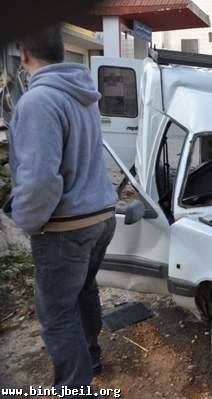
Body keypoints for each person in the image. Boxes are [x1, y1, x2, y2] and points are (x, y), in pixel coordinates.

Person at [6, 26, 117, 390]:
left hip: (65, 226)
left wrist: (26, 221)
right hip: (99, 217)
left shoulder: (38, 102)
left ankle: (77, 389)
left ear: (23, 55)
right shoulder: (82, 95)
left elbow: (40, 181)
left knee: (56, 315)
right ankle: (91, 358)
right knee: (83, 293)